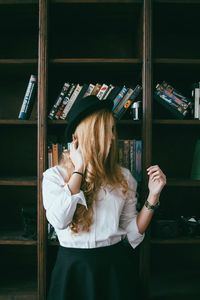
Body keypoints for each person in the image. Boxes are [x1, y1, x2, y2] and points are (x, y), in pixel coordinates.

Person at [42, 95, 166, 300]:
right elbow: (60, 220)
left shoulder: (124, 177)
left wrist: (153, 195)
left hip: (114, 271)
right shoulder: (54, 176)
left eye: (113, 130)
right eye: (106, 130)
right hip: (72, 270)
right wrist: (79, 169)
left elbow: (132, 231)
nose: (112, 137)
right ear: (88, 134)